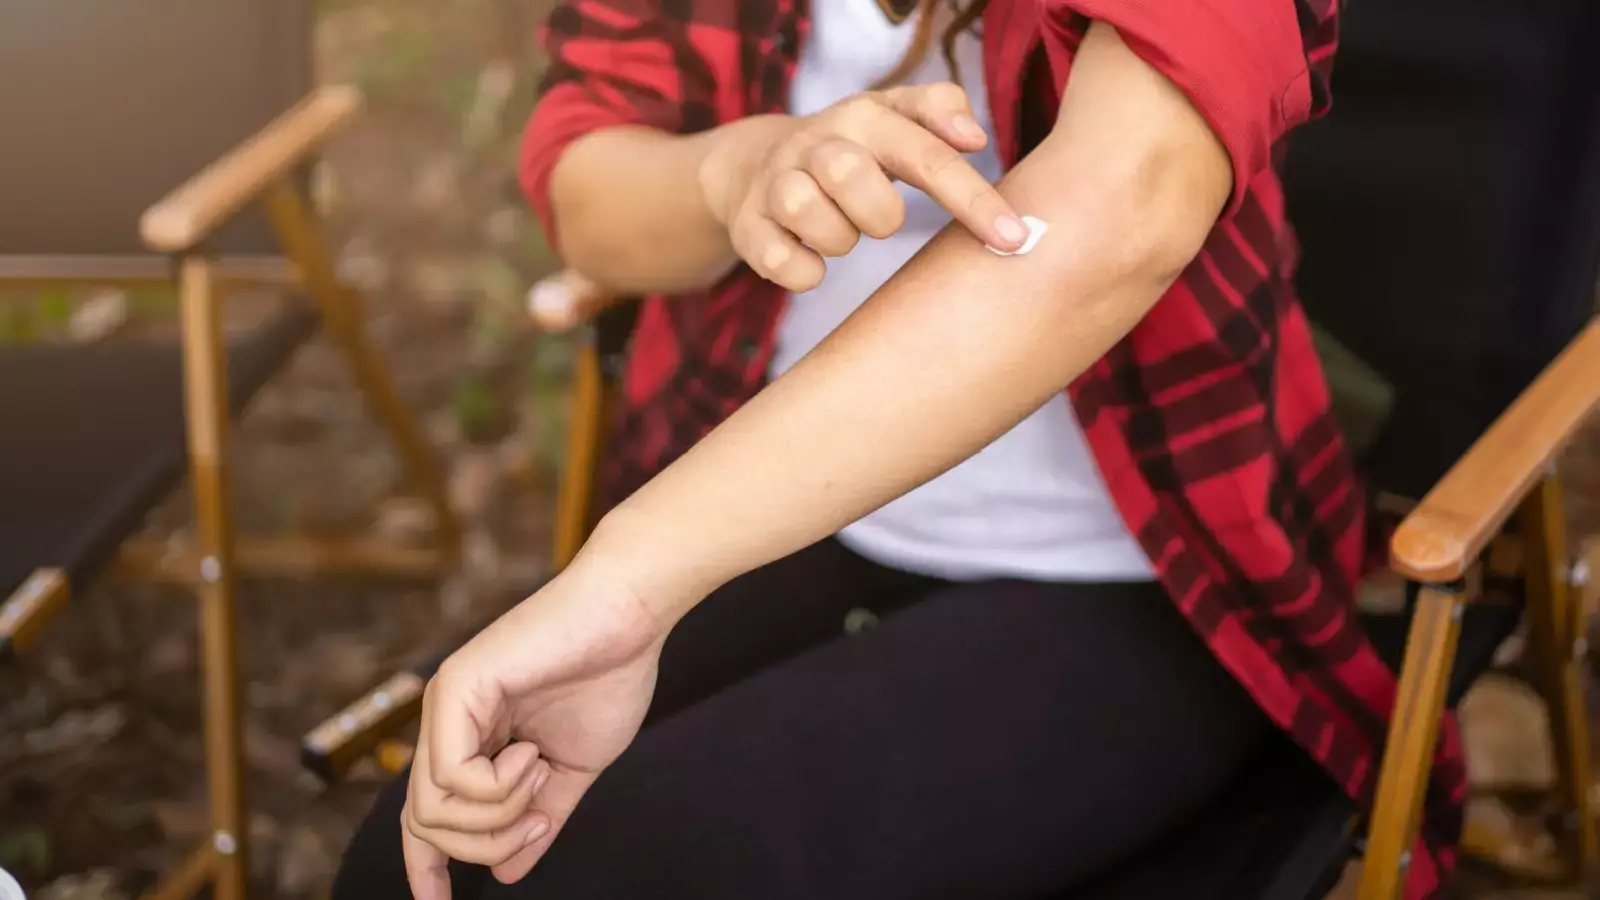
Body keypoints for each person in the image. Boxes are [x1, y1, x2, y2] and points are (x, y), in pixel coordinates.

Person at [333, 0, 1468, 897]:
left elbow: (1127, 206)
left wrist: (630, 577)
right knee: (414, 866)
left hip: (1137, 571)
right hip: (785, 516)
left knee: (616, 874)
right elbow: (589, 186)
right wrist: (737, 171)